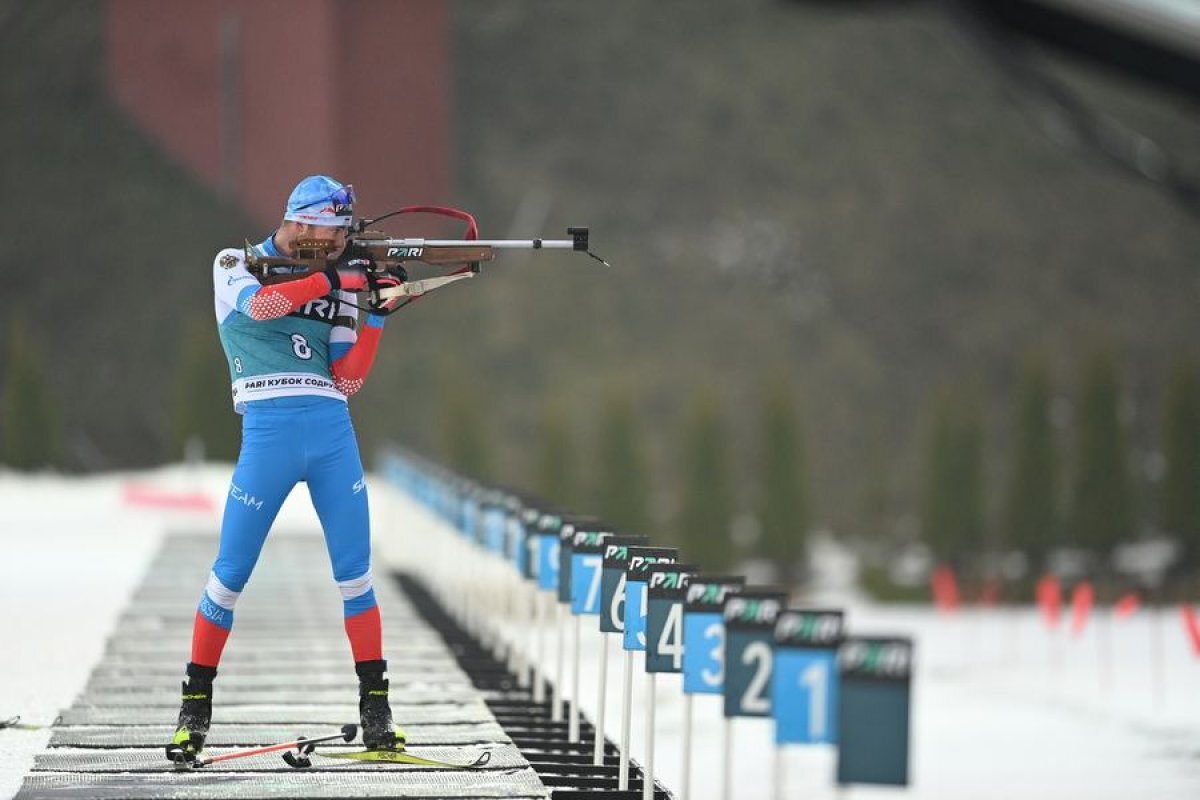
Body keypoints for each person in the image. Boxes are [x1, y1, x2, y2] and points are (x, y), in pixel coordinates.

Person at [167, 175, 405, 760]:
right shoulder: (236, 261)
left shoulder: (343, 277)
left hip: (331, 434)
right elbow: (263, 305)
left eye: (343, 235)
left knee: (356, 576)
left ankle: (376, 707)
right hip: (267, 435)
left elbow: (347, 378)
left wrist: (376, 312)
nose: (336, 243)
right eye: (328, 233)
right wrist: (331, 278)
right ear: (298, 221)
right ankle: (194, 707)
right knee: (228, 577)